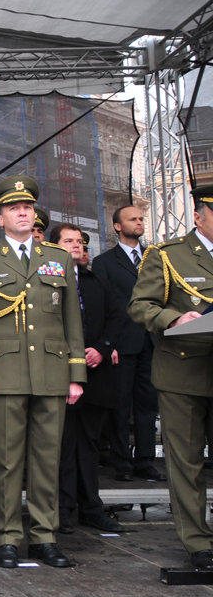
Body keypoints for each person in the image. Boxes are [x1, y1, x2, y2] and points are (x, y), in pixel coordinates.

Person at [0, 175, 86, 569]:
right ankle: (8, 537)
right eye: (13, 208)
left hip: (51, 371)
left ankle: (45, 537)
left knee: (47, 459)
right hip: (4, 373)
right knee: (7, 460)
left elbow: (72, 320)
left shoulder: (59, 257)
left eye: (27, 207)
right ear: (0, 218)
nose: (22, 212)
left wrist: (76, 373)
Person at [127, 185, 213, 571]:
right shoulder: (167, 255)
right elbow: (140, 306)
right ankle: (198, 542)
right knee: (187, 462)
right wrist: (174, 318)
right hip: (184, 371)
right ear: (198, 216)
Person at [50, 223, 125, 534]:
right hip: (59, 374)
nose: (77, 247)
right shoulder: (47, 282)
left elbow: (117, 316)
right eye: (69, 241)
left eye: (80, 242)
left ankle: (91, 507)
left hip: (95, 374)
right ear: (54, 247)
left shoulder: (96, 281)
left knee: (90, 444)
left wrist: (103, 348)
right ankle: (64, 508)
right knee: (63, 445)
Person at [92, 205, 164, 482]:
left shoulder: (156, 258)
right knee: (121, 407)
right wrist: (108, 344)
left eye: (141, 218)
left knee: (148, 406)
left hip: (151, 340)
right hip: (122, 344)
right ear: (118, 226)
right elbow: (103, 306)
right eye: (133, 219)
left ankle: (145, 461)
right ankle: (122, 462)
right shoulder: (104, 262)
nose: (139, 222)